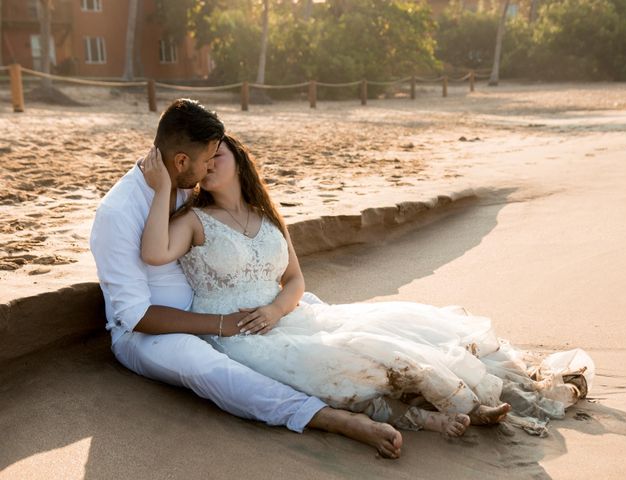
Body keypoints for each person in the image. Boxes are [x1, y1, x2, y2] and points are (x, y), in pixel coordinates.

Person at [141, 128, 594, 439]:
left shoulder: (265, 218)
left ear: (239, 158)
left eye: (218, 154)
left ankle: (480, 403)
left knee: (390, 339)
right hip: (242, 336)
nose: (209, 164)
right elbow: (154, 253)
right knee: (356, 362)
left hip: (291, 317)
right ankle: (451, 412)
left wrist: (279, 309)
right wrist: (163, 188)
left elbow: (295, 278)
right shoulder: (195, 220)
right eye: (204, 160)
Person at [90, 98, 404, 459]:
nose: (210, 169)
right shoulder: (118, 213)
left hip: (210, 307)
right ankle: (326, 417)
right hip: (150, 334)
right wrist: (220, 324)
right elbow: (136, 317)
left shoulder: (184, 182)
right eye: (207, 159)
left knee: (313, 314)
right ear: (181, 161)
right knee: (204, 365)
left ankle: (381, 383)